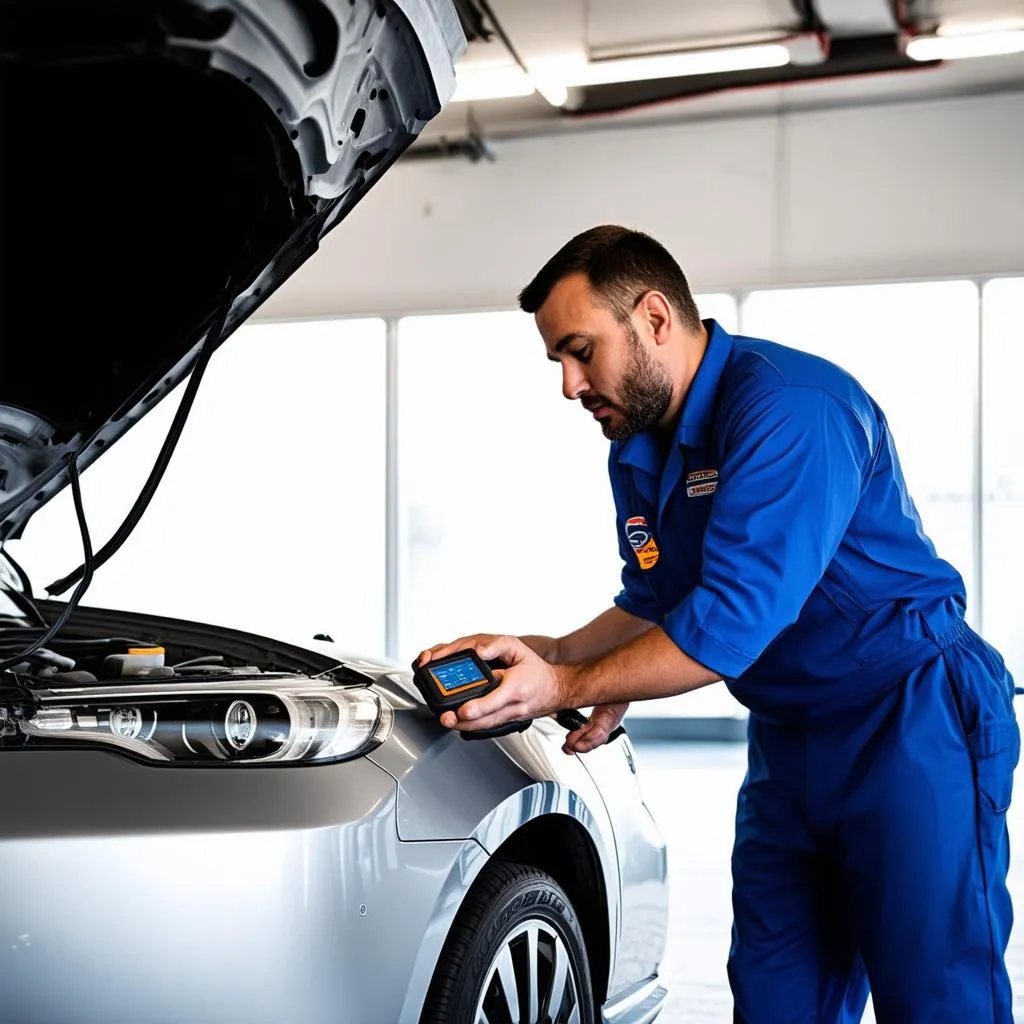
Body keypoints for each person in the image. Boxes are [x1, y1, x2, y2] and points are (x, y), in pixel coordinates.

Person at [415, 225, 1018, 1023]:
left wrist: (563, 684)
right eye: (557, 361)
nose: (568, 384)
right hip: (789, 736)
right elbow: (658, 599)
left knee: (937, 995)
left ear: (655, 319)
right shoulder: (635, 443)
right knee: (775, 997)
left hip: (910, 717)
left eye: (579, 349)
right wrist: (552, 653)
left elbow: (728, 622)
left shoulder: (792, 409)